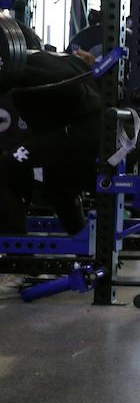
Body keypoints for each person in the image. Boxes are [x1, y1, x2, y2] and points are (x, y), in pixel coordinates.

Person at [0, 16, 102, 241]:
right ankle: (83, 244)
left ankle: (17, 263)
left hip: (85, 137)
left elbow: (73, 94)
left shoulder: (23, 67)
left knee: (3, 172)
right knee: (54, 175)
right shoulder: (61, 59)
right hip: (109, 137)